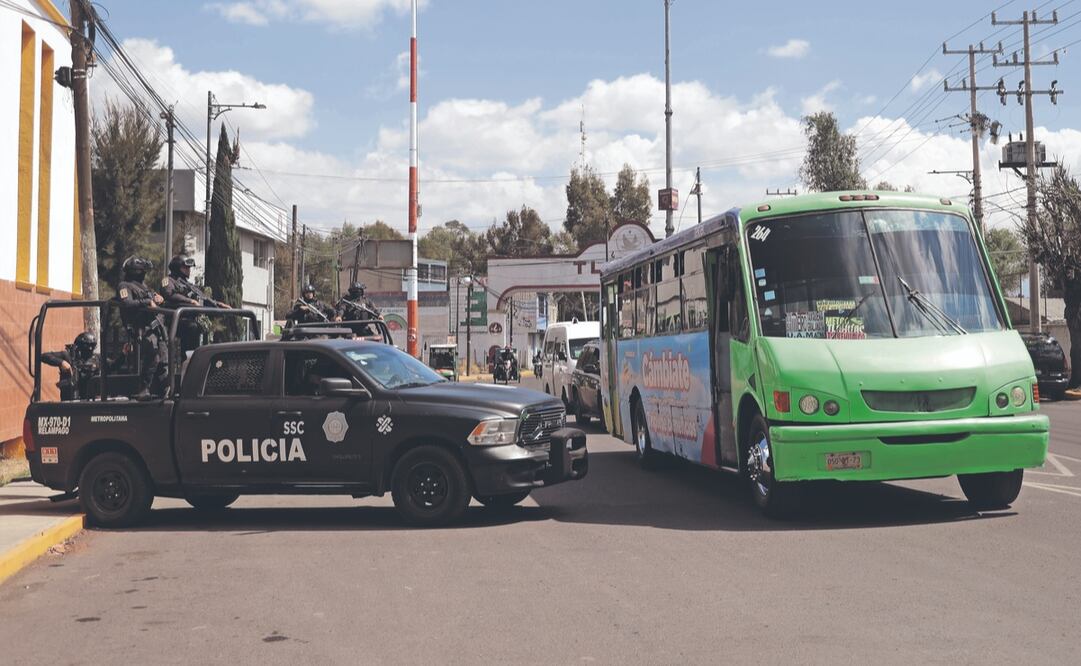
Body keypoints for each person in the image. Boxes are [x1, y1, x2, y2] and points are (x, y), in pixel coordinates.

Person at [116, 256, 169, 400]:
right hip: (141, 328)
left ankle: (165, 389)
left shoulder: (144, 286)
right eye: (142, 271)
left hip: (157, 328)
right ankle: (144, 389)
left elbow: (154, 298)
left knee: (164, 358)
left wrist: (158, 299)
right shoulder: (124, 286)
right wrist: (147, 302)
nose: (144, 274)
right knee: (154, 355)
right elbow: (127, 303)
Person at [159, 254, 231, 357]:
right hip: (172, 320)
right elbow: (168, 294)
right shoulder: (167, 280)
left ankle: (190, 359)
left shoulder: (188, 284)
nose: (189, 270)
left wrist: (218, 304)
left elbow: (203, 297)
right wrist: (190, 301)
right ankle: (188, 359)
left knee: (195, 327)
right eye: (186, 268)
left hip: (188, 320)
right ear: (177, 267)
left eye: (189, 268)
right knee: (193, 327)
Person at [41, 331, 100, 401]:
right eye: (87, 345)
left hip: (90, 400)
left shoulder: (97, 359)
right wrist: (62, 362)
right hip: (70, 400)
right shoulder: (68, 356)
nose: (90, 349)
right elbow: (44, 356)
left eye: (92, 346)